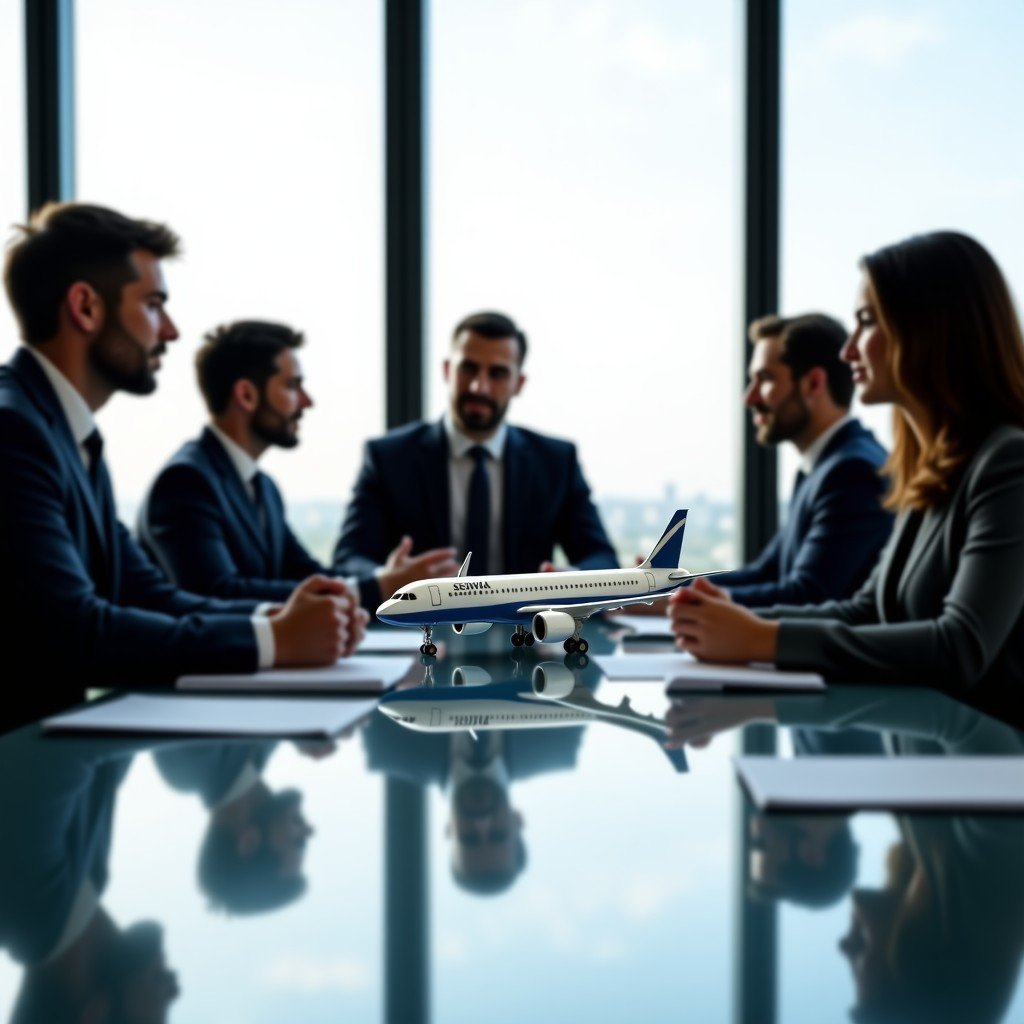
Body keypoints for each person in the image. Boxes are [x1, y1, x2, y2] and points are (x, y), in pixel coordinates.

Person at [0, 203, 362, 730]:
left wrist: (280, 621)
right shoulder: (15, 430)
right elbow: (74, 631)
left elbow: (147, 595)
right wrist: (274, 640)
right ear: (85, 307)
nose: (169, 331)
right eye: (152, 305)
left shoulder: (68, 434)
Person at [670, 231, 1024, 702]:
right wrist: (733, 620)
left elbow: (959, 647)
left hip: (986, 765)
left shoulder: (1006, 462)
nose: (848, 349)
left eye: (866, 323)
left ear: (928, 331)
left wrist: (761, 639)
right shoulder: (932, 469)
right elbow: (866, 610)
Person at [332, 311, 618, 612]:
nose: (479, 387)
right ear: (446, 370)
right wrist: (387, 579)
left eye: (497, 373)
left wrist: (571, 583)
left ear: (518, 383)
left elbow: (601, 558)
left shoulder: (556, 462)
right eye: (468, 368)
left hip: (526, 636)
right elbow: (348, 560)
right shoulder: (389, 458)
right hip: (425, 635)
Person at [139, 319, 402, 606]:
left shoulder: (264, 487)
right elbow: (218, 593)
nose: (306, 401)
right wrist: (374, 588)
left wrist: (382, 581)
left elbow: (306, 574)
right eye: (292, 386)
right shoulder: (185, 481)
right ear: (247, 395)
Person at [715, 312, 892, 606]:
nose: (750, 397)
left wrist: (678, 600)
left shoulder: (852, 472)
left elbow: (806, 595)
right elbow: (767, 572)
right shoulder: (822, 466)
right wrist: (672, 585)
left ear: (813, 384)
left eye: (765, 379)